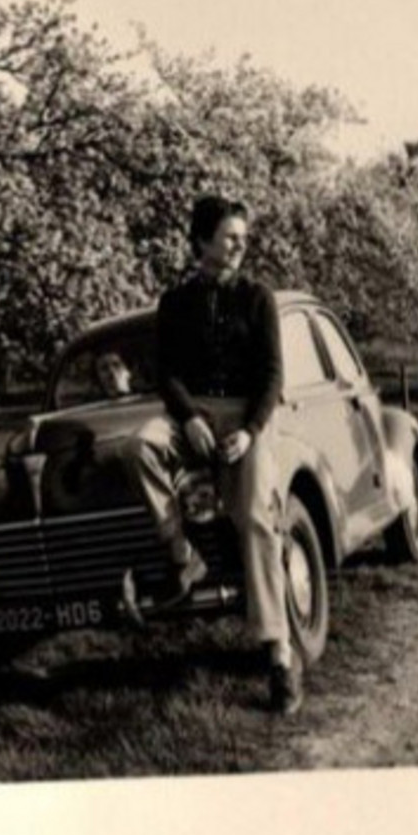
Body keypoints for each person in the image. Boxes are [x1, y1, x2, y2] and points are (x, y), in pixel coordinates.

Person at [125, 194, 302, 715]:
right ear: (202, 241)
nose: (240, 246)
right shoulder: (175, 302)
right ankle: (184, 557)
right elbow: (167, 374)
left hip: (248, 419)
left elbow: (273, 376)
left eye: (244, 238)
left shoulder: (258, 298)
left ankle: (279, 657)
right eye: (230, 237)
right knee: (140, 447)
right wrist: (190, 418)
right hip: (192, 415)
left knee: (254, 517)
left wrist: (249, 432)